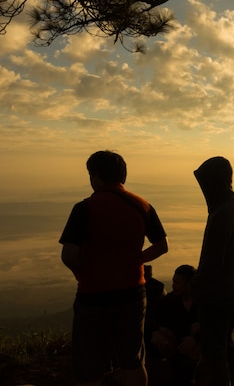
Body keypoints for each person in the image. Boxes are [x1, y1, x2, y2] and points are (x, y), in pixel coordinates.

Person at [59, 150, 169, 386]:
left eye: (91, 175)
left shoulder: (85, 208)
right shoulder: (143, 206)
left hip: (93, 296)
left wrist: (81, 271)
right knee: (133, 361)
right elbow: (161, 246)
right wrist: (134, 260)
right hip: (133, 293)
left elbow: (69, 254)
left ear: (97, 176)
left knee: (90, 366)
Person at [191, 156, 234, 386]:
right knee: (225, 343)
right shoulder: (233, 206)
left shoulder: (223, 212)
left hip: (218, 292)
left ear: (216, 182)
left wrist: (195, 287)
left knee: (215, 353)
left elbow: (213, 261)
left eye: (206, 183)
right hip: (231, 287)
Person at [151, 264, 200, 386]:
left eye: (177, 282)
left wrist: (195, 339)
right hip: (176, 346)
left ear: (189, 284)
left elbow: (212, 324)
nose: (173, 285)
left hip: (195, 347)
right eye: (173, 281)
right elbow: (155, 320)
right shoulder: (169, 301)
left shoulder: (202, 302)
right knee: (163, 331)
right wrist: (157, 332)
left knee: (197, 327)